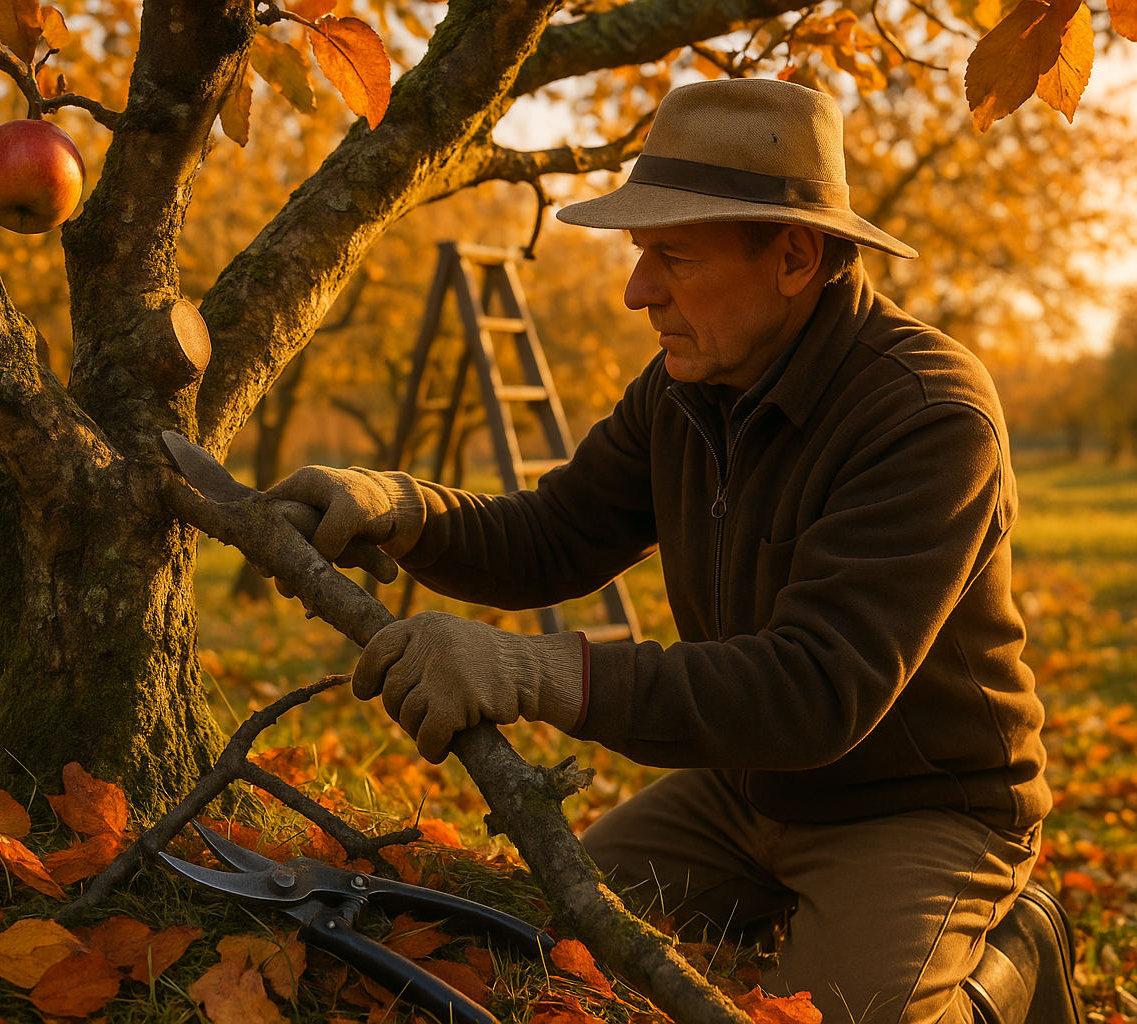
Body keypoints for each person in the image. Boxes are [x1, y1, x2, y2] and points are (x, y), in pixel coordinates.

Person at [267, 79, 1083, 1024]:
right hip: (742, 793)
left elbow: (815, 690)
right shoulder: (689, 383)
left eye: (672, 257)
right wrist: (399, 509)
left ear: (795, 255)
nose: (635, 291)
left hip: (918, 809)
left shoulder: (929, 416)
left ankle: (1014, 956)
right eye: (638, 255)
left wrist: (528, 671)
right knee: (539, 937)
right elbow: (555, 536)